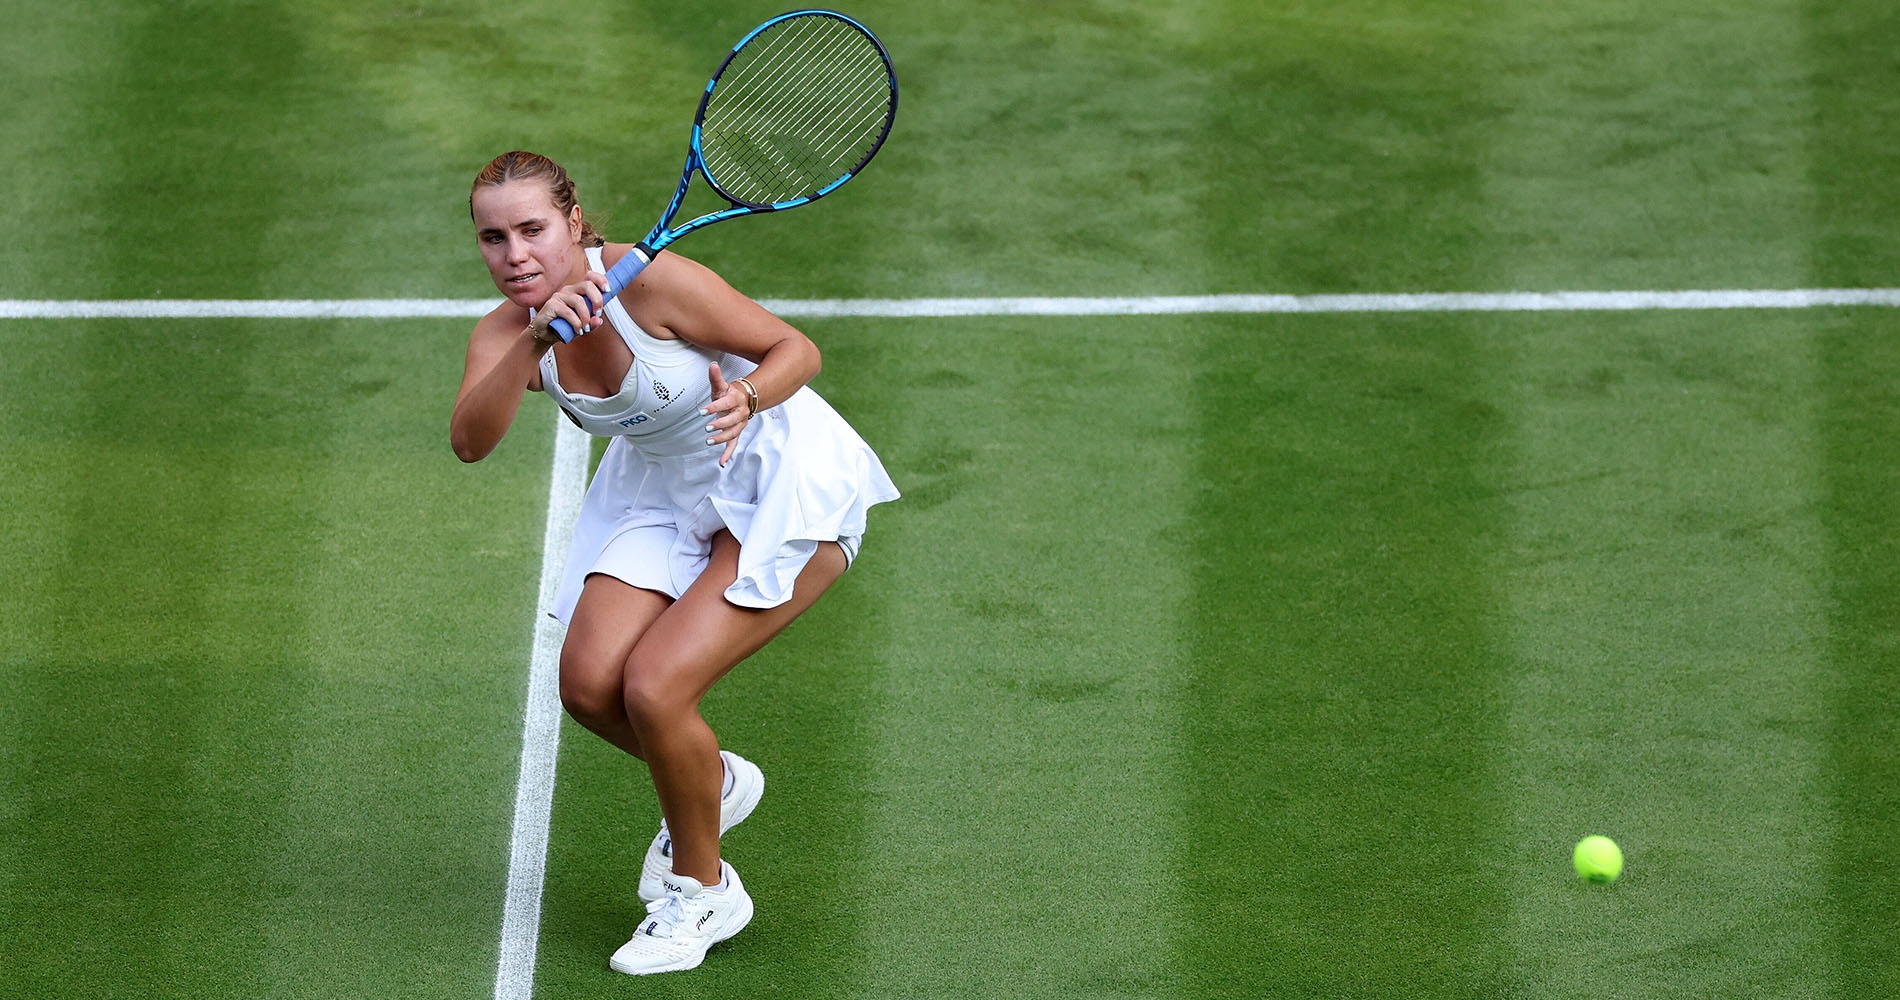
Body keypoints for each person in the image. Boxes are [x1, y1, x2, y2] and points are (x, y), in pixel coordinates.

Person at [451, 150, 899, 976]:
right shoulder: (503, 329)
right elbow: (470, 442)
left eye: (532, 230)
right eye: (493, 237)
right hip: (661, 491)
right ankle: (712, 782)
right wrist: (530, 343)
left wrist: (750, 394)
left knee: (654, 688)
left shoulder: (651, 284)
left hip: (771, 475)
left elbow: (793, 348)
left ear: (574, 223)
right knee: (587, 686)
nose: (514, 254)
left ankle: (703, 891)